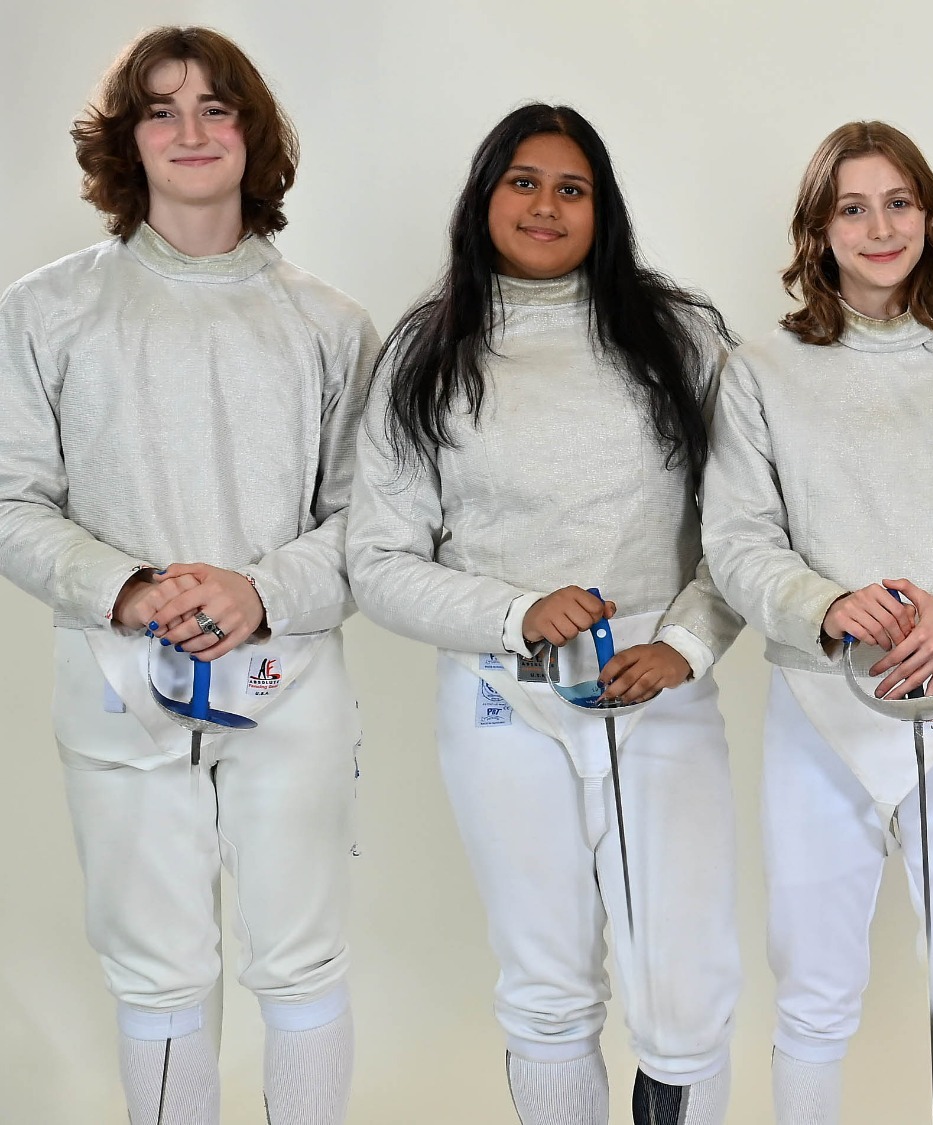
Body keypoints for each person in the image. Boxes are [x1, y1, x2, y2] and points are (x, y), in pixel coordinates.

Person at [0, 26, 377, 1125]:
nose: (191, 131)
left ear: (253, 133)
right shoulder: (47, 311)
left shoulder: (329, 324)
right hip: (119, 685)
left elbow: (370, 523)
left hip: (288, 681)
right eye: (160, 110)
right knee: (157, 970)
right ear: (126, 140)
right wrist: (125, 586)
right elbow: (11, 497)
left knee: (301, 956)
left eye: (216, 107)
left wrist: (259, 592)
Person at [347, 104, 741, 1125]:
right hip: (501, 698)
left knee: (685, 986)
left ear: (602, 210)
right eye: (523, 181)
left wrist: (684, 645)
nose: (545, 206)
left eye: (573, 188)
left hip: (656, 690)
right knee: (546, 983)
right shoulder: (425, 351)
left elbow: (747, 529)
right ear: (484, 196)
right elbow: (379, 561)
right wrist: (519, 611)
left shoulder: (682, 335)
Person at [701, 120, 933, 1125]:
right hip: (818, 710)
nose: (879, 227)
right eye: (851, 208)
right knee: (813, 989)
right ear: (817, 231)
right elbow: (736, 538)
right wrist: (825, 604)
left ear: (930, 215)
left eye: (898, 202)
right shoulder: (759, 371)